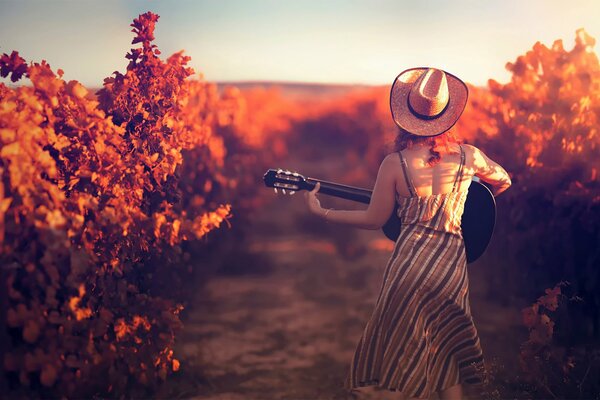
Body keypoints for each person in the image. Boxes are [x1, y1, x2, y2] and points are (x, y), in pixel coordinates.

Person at [304, 67, 511, 400]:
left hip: (408, 267)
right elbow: (503, 180)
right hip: (450, 270)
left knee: (402, 362)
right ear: (447, 116)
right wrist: (470, 205)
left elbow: (374, 219)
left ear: (406, 117)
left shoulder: (395, 163)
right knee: (446, 357)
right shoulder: (469, 157)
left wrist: (323, 212)